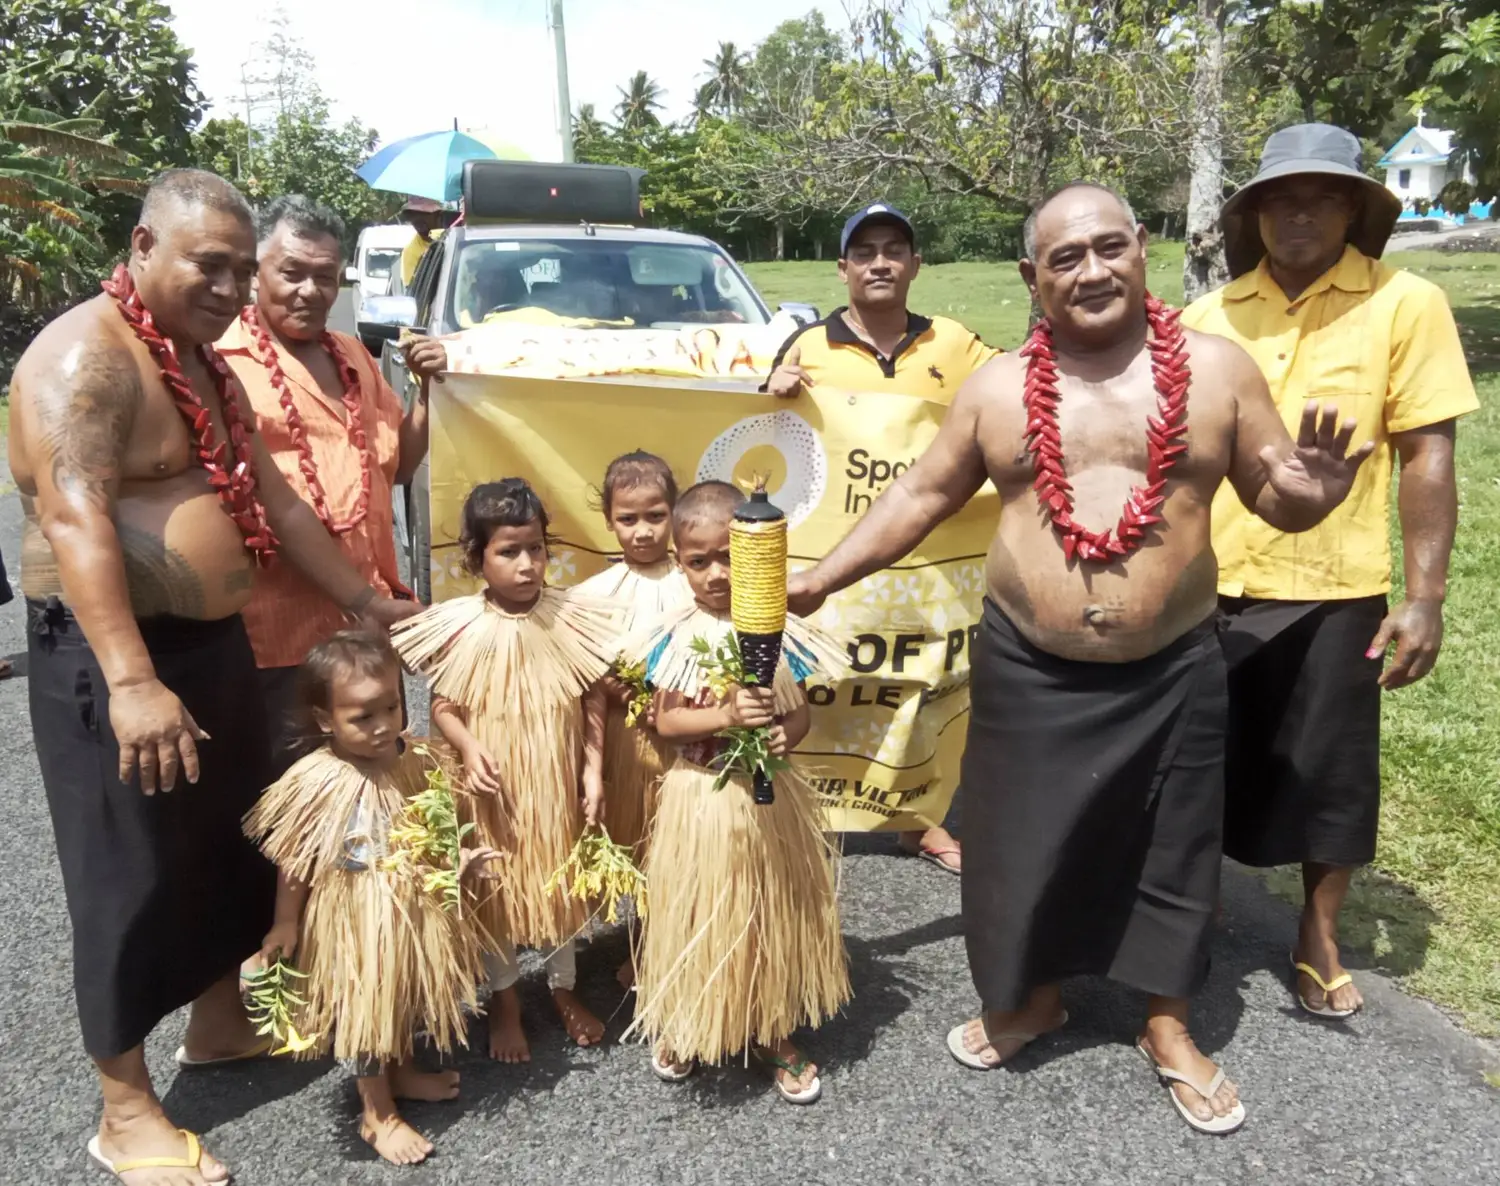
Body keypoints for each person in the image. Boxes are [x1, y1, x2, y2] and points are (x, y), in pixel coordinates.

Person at [787, 182, 1374, 1134]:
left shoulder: (1219, 373)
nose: (1092, 269)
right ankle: (1032, 999)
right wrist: (821, 579)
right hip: (1029, 665)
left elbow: (1280, 495)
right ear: (1032, 276)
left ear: (1142, 247)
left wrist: (1317, 494)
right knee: (1018, 848)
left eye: (1110, 247)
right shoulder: (997, 388)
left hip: (1174, 663)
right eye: (1065, 257)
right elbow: (918, 498)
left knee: (1172, 852)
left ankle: (1168, 1023)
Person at [8, 168, 418, 1184]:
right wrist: (134, 681)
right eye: (212, 263)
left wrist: (364, 599)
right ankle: (124, 1105)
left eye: (243, 268)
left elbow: (276, 505)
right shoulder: (85, 361)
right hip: (117, 656)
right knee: (130, 870)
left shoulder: (202, 365)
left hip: (210, 643)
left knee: (231, 836)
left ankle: (219, 1024)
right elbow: (75, 521)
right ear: (143, 246)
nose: (233, 286)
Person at [1181, 124, 1480, 1020]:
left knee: (1331, 778)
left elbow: (1429, 451)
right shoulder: (1209, 316)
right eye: (1279, 197)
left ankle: (1316, 933)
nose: (1299, 211)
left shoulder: (1405, 303)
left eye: (1321, 196)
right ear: (1255, 214)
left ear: (1355, 206)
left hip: (1335, 585)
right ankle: (1195, 910)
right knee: (1197, 759)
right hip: (1211, 581)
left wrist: (1424, 596)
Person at [762, 202, 999, 875]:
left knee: (923, 681)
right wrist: (771, 388)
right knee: (826, 680)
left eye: (894, 250)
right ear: (843, 269)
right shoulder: (807, 347)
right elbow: (755, 426)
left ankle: (916, 819)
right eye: (864, 252)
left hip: (927, 561)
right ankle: (804, 810)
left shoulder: (956, 345)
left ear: (916, 265)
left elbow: (1018, 394)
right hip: (833, 559)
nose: (880, 263)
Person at [622, 481, 851, 1104]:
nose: (717, 573)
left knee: (765, 910)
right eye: (699, 561)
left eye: (730, 556)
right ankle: (687, 1018)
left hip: (764, 802)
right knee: (693, 913)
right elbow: (666, 723)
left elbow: (799, 716)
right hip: (698, 798)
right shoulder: (673, 634)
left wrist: (783, 736)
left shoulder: (780, 630)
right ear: (679, 564)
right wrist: (725, 717)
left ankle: (770, 1026)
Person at [218, 194, 447, 775]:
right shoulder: (222, 360)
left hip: (369, 629)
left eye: (324, 276)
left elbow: (396, 465)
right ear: (255, 274)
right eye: (291, 272)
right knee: (295, 797)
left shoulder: (351, 354)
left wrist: (426, 392)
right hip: (285, 633)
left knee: (377, 792)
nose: (309, 290)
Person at [391, 479, 620, 1060]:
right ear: (477, 558)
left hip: (555, 781)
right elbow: (442, 706)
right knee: (496, 889)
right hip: (493, 787)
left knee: (560, 880)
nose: (526, 565)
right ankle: (506, 998)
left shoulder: (570, 615)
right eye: (508, 552)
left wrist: (592, 769)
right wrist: (467, 746)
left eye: (536, 549)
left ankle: (563, 989)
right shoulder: (462, 625)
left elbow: (594, 695)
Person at [245, 629, 491, 1167]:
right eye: (362, 716)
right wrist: (285, 922)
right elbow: (296, 858)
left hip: (412, 905)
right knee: (367, 1004)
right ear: (325, 718)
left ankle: (398, 1071)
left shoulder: (417, 759)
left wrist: (458, 867)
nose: (383, 725)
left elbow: (437, 824)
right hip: (356, 912)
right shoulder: (316, 780)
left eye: (391, 706)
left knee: (400, 996)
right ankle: (374, 1111)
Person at [575, 452, 692, 988]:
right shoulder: (593, 597)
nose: (642, 532)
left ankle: (677, 940)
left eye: (655, 516)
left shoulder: (696, 581)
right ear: (608, 519)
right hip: (629, 742)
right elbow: (589, 681)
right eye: (628, 519)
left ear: (675, 514)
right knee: (643, 840)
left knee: (684, 841)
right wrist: (619, 691)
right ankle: (647, 938)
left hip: (692, 740)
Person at [397, 196, 445, 289]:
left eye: (424, 214)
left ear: (438, 215)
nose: (418, 220)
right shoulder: (411, 252)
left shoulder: (454, 240)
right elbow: (411, 292)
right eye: (413, 215)